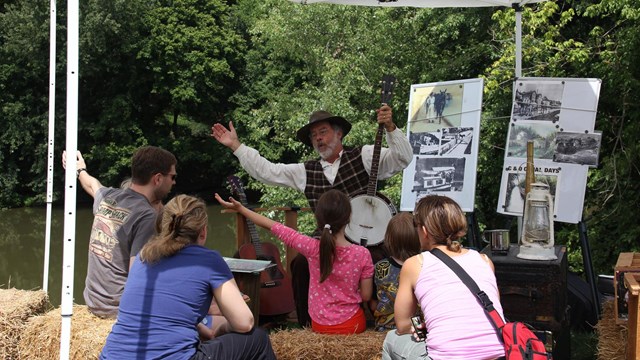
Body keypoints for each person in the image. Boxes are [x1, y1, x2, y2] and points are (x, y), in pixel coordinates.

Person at [211, 104, 412, 326]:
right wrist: (236, 146)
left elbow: (402, 158)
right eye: (314, 135)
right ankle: (309, 325)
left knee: (379, 261)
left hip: (367, 239)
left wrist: (391, 128)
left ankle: (379, 321)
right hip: (326, 241)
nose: (318, 138)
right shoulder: (305, 171)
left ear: (339, 133)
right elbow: (268, 171)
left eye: (323, 131)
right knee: (300, 266)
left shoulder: (364, 155)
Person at [100, 195, 276, 359]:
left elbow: (163, 310)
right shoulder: (208, 260)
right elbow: (244, 323)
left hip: (112, 355)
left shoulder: (142, 257)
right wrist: (222, 329)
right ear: (203, 232)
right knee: (258, 339)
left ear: (163, 225)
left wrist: (200, 328)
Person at [215, 189, 374, 335]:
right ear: (348, 218)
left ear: (318, 218)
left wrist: (241, 209)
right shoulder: (362, 254)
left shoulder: (311, 248)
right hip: (352, 324)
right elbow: (366, 296)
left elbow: (273, 226)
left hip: (321, 325)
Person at [382, 195, 505, 360]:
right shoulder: (484, 260)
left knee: (391, 339)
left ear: (424, 231)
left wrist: (423, 327)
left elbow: (403, 325)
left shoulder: (415, 264)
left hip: (446, 357)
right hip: (498, 355)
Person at [61, 146, 177, 318]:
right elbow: (138, 276)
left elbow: (92, 185)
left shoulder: (109, 198)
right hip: (116, 309)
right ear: (158, 179)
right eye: (172, 177)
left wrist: (80, 170)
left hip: (94, 302)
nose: (174, 182)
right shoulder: (146, 216)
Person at [369, 212, 421, 331]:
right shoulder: (424, 265)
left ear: (388, 239)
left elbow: (373, 305)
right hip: (417, 328)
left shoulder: (379, 267)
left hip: (385, 328)